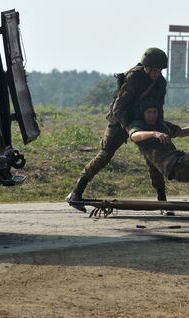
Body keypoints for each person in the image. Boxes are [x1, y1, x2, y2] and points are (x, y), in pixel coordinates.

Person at [66, 48, 169, 212]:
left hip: (142, 123)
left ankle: (162, 201)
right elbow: (118, 109)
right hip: (120, 122)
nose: (157, 74)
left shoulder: (161, 83)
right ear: (145, 67)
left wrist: (159, 128)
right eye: (154, 70)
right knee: (104, 155)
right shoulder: (134, 78)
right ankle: (76, 192)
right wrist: (129, 129)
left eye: (160, 70)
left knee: (153, 159)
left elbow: (159, 108)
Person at [129, 99, 189, 184]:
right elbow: (134, 136)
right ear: (143, 114)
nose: (152, 116)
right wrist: (154, 134)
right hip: (177, 167)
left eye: (155, 112)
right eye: (149, 113)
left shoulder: (162, 125)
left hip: (184, 162)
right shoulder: (139, 125)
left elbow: (181, 132)